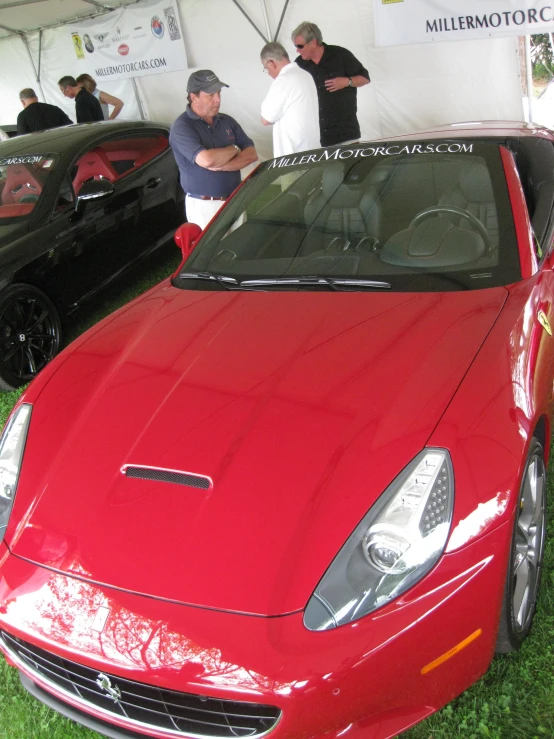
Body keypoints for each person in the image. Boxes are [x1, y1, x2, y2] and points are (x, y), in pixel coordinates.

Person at [169, 69, 258, 230]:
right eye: (211, 95)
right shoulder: (182, 126)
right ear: (193, 97)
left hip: (234, 199)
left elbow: (252, 154)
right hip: (204, 205)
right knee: (213, 254)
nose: (217, 100)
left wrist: (226, 163)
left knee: (240, 249)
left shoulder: (226, 120)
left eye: (219, 93)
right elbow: (206, 160)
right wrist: (235, 149)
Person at [291, 21, 370, 147]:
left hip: (345, 134)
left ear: (313, 42)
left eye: (300, 46)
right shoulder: (299, 65)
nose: (297, 50)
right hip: (315, 138)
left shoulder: (340, 55)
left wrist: (346, 82)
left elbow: (365, 78)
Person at [260, 42, 320, 158]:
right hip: (312, 149)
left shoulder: (283, 80)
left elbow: (266, 119)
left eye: (266, 69)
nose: (269, 73)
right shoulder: (306, 75)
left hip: (293, 155)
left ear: (271, 63)